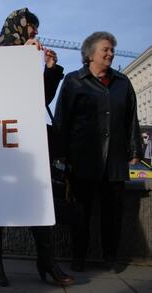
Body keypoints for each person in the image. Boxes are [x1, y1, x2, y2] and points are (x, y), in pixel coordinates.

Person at [0, 8, 74, 287]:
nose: (34, 33)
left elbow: (38, 99)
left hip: (29, 142)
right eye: (31, 27)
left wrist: (50, 70)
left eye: (35, 29)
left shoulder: (27, 57)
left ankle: (46, 261)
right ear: (18, 26)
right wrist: (19, 58)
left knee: (39, 199)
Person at [54, 31, 142, 273]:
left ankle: (111, 258)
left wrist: (135, 149)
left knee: (113, 214)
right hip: (82, 159)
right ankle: (78, 257)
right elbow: (62, 119)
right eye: (106, 49)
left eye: (112, 50)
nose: (111, 54)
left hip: (114, 160)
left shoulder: (123, 82)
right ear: (90, 54)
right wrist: (60, 154)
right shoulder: (73, 81)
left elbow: (131, 119)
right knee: (80, 214)